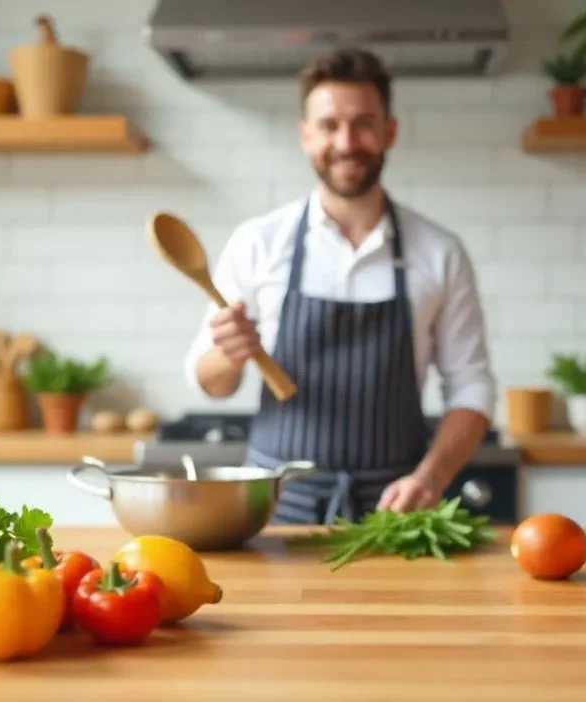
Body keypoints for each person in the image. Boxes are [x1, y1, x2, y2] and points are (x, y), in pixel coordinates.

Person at [183, 46, 496, 525]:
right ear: (306, 136)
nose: (347, 142)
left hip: (396, 513)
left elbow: (472, 387)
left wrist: (432, 477)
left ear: (390, 132)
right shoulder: (259, 242)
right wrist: (228, 355)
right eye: (329, 126)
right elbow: (211, 383)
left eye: (364, 123)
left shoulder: (439, 252)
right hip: (271, 511)